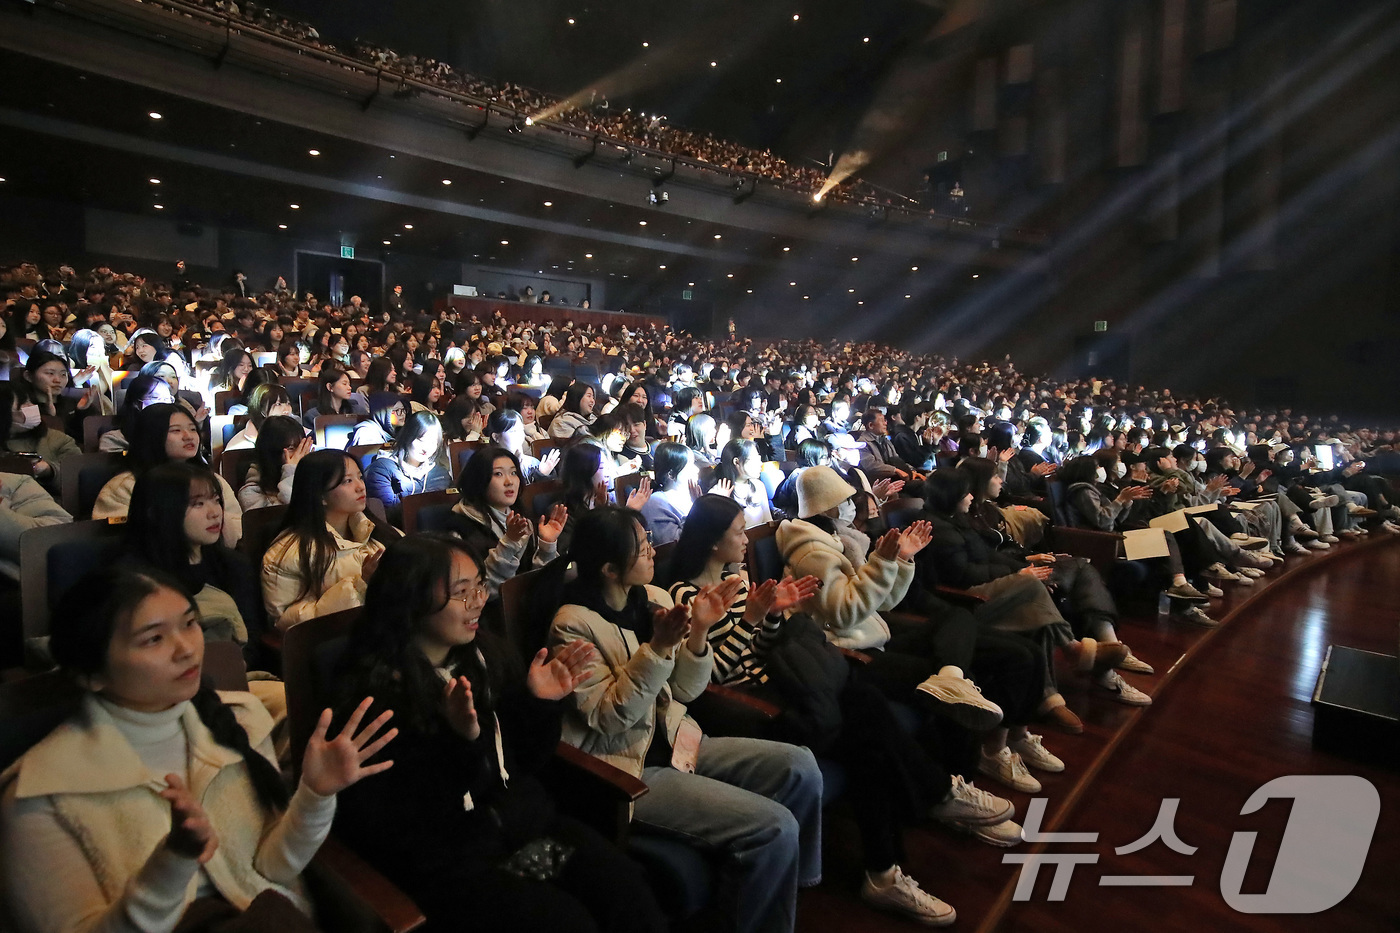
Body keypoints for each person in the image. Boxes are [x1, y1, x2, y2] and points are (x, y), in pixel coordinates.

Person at [669, 495, 1019, 922]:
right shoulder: (685, 595)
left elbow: (765, 648)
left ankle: (889, 867)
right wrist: (750, 621)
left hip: (788, 683)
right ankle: (936, 798)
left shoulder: (738, 580)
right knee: (866, 717)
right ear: (711, 542)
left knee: (867, 722)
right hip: (757, 706)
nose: (746, 539)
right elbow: (715, 675)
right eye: (739, 532)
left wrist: (774, 614)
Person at [0, 565, 396, 933]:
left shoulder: (237, 719)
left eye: (189, 624)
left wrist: (315, 794)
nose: (186, 648)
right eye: (153, 638)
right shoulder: (39, 794)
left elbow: (270, 869)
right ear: (91, 673)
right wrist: (172, 863)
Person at [330, 534, 664, 933]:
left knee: (625, 889)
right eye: (461, 592)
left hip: (518, 822)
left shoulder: (484, 657)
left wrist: (538, 703)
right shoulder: (375, 694)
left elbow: (524, 763)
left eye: (479, 586)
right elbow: (399, 823)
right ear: (412, 599)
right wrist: (458, 741)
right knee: (567, 924)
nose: (479, 602)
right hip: (449, 858)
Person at [549, 506, 824, 933]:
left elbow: (686, 692)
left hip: (676, 737)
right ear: (608, 568)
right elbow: (608, 717)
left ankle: (792, 889)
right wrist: (657, 649)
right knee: (774, 827)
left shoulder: (655, 599)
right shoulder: (573, 626)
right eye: (641, 549)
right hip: (628, 768)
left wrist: (698, 633)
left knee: (801, 767)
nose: (652, 553)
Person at [261, 450, 395, 630]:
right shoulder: (288, 554)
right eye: (347, 481)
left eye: (360, 477)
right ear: (320, 495)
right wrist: (360, 585)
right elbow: (288, 621)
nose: (360, 487)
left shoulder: (378, 532)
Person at [94, 403, 244, 548]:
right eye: (176, 431)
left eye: (193, 429)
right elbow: (120, 540)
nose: (188, 436)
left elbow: (238, 529)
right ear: (151, 435)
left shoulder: (211, 480)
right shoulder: (124, 486)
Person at [445, 446, 567, 601]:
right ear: (479, 479)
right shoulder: (460, 528)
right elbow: (480, 592)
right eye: (498, 474)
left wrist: (547, 544)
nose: (509, 482)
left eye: (514, 473)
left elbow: (541, 583)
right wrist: (508, 544)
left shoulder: (524, 519)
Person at [363, 411, 453, 524]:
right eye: (421, 440)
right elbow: (388, 515)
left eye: (433, 442)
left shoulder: (440, 473)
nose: (426, 448)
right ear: (408, 435)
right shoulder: (383, 468)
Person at [240, 415, 312, 511]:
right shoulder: (250, 492)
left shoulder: (308, 479)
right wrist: (290, 472)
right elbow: (283, 517)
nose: (299, 455)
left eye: (302, 447)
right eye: (291, 449)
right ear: (272, 452)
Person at [639, 441, 700, 546]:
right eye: (690, 465)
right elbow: (673, 546)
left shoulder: (690, 495)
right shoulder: (655, 503)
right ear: (671, 474)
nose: (697, 470)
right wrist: (698, 508)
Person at [712, 438, 775, 527]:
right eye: (755, 459)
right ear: (736, 462)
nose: (760, 463)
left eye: (759, 458)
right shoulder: (718, 491)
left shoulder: (758, 485)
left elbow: (768, 521)